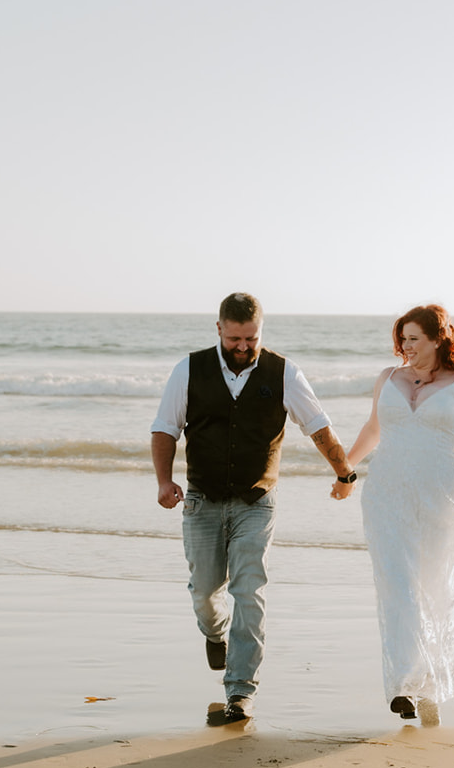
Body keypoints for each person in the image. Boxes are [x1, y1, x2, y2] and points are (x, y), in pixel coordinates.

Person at [151, 292, 356, 723]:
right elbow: (165, 429)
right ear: (219, 330)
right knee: (204, 590)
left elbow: (318, 427)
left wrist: (344, 473)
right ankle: (214, 631)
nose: (243, 346)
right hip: (202, 498)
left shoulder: (285, 373)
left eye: (251, 338)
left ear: (261, 332)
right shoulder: (188, 370)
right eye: (235, 338)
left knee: (249, 591)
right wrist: (164, 481)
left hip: (256, 501)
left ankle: (240, 693)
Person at [346, 304, 454, 726]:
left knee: (433, 589)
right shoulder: (387, 378)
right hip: (386, 493)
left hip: (442, 496)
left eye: (413, 339)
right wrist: (344, 471)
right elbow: (373, 430)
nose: (405, 347)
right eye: (402, 339)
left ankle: (427, 687)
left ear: (437, 339)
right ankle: (403, 686)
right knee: (397, 584)